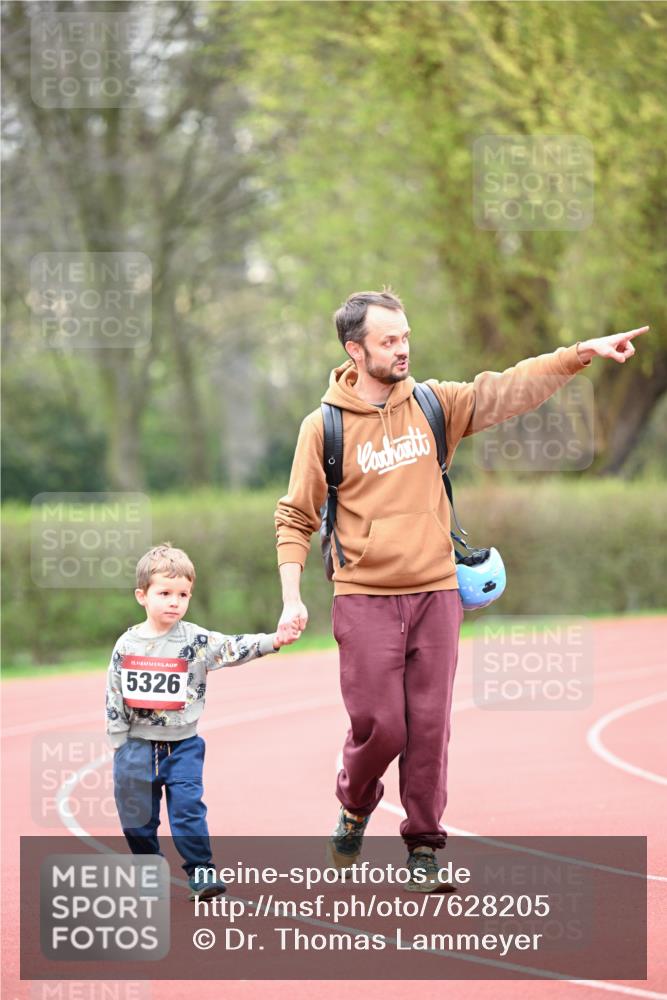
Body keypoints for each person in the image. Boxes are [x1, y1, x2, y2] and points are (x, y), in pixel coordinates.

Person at [274, 287, 648, 892]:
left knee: (428, 727)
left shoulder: (434, 404)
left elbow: (507, 389)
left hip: (437, 592)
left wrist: (580, 353)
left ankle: (424, 846)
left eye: (406, 337)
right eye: (388, 341)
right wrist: (293, 596)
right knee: (381, 727)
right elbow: (295, 516)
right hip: (363, 597)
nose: (402, 349)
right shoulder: (324, 428)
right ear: (354, 348)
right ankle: (354, 801)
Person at [106, 541, 301, 900]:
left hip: (183, 746)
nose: (174, 601)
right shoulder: (127, 645)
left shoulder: (195, 640)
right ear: (142, 596)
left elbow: (232, 647)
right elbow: (114, 693)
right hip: (135, 746)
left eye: (183, 594)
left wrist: (274, 640)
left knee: (188, 811)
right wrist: (118, 741)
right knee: (137, 819)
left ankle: (201, 872)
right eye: (164, 592)